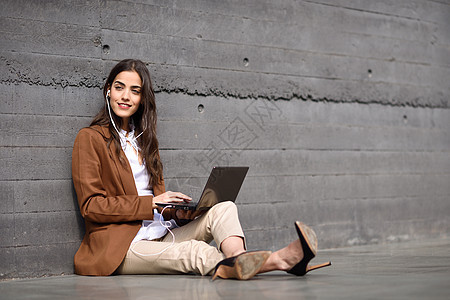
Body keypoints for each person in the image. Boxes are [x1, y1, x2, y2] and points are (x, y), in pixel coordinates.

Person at [72, 59, 331, 279]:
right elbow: (91, 206)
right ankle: (281, 261)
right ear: (108, 90)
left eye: (135, 90)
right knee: (194, 252)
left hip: (160, 233)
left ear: (142, 99)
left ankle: (238, 260)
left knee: (223, 208)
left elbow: (156, 207)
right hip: (122, 247)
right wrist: (151, 202)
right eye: (119, 88)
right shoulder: (90, 138)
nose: (126, 96)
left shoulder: (146, 141)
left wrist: (178, 212)